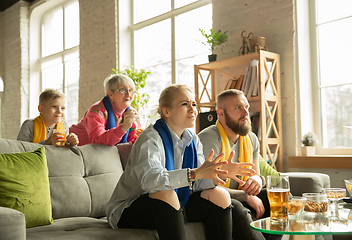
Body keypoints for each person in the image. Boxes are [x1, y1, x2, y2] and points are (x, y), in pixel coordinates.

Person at [106, 84, 256, 240]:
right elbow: (151, 182)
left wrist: (220, 173)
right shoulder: (150, 139)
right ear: (166, 111)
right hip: (129, 208)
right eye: (185, 104)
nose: (192, 109)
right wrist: (194, 174)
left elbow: (198, 183)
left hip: (176, 202)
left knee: (220, 195)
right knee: (166, 193)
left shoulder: (193, 140)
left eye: (194, 104)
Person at [198, 89, 281, 240]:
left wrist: (257, 180)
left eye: (247, 107)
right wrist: (245, 196)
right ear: (221, 113)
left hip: (243, 195)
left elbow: (255, 174)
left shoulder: (251, 138)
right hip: (221, 199)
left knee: (280, 200)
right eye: (238, 108)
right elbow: (206, 187)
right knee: (238, 210)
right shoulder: (208, 139)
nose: (245, 112)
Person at [69, 74, 139, 146]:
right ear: (110, 94)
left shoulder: (131, 113)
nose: (128, 94)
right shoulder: (96, 111)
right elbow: (97, 142)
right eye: (123, 90)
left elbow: (131, 142)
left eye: (131, 90)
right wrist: (123, 128)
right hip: (70, 147)